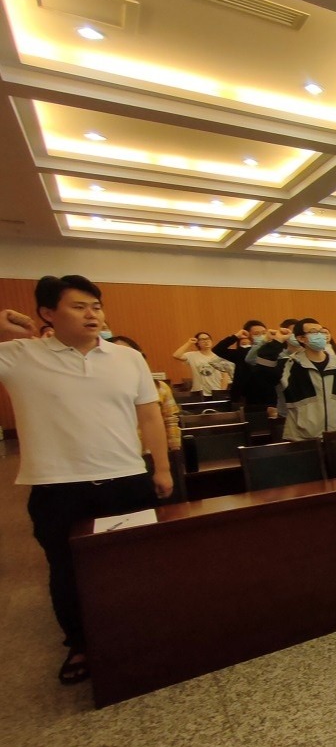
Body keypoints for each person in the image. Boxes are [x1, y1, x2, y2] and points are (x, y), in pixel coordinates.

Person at [0, 275, 173, 685]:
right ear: (47, 313)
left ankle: (139, 632)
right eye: (78, 306)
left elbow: (150, 415)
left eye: (95, 306)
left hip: (125, 478)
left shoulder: (127, 358)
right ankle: (79, 643)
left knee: (132, 563)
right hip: (58, 486)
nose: (92, 314)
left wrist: (161, 467)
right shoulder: (19, 356)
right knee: (67, 568)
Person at [255, 318, 336, 440]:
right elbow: (262, 368)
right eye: (313, 332)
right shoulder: (289, 365)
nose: (320, 335)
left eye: (321, 331)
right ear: (301, 338)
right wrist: (277, 342)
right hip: (301, 436)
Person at [110, 335, 182, 452]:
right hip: (118, 452)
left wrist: (175, 450)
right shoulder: (101, 390)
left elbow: (170, 420)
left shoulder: (159, 388)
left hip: (151, 452)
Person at [212, 320, 275, 406]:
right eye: (256, 334)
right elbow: (218, 349)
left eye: (264, 333)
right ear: (248, 336)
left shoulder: (273, 351)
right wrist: (236, 336)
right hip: (246, 398)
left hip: (269, 396)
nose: (262, 336)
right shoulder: (242, 352)